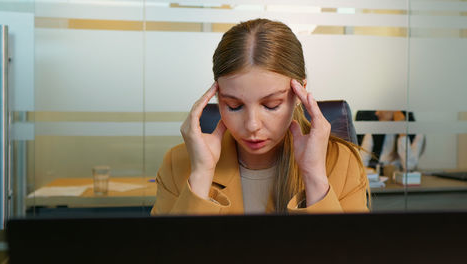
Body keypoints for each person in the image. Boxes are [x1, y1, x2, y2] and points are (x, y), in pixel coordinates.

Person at [151, 18, 369, 215]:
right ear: (217, 97)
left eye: (271, 105)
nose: (252, 125)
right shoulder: (179, 163)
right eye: (234, 106)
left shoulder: (341, 162)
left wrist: (314, 177)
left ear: (299, 94)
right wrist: (201, 175)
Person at [359, 110, 425, 171]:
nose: (377, 113)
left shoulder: (417, 134)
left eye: (381, 108)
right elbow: (361, 163)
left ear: (396, 110)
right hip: (378, 177)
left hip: (400, 179)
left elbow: (409, 166)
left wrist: (402, 130)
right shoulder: (373, 131)